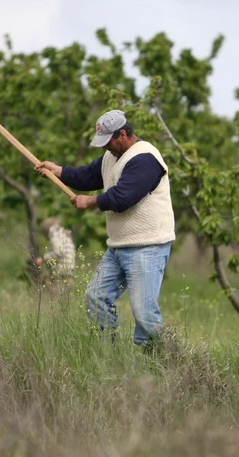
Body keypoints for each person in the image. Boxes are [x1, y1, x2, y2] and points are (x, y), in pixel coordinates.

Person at [34, 110, 175, 346]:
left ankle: (162, 362)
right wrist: (58, 170)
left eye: (108, 141)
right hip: (118, 246)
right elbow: (88, 176)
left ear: (122, 134)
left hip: (148, 246)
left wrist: (90, 201)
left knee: (144, 314)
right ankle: (108, 351)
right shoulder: (112, 156)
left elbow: (123, 198)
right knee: (96, 297)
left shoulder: (145, 158)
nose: (105, 148)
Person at [35, 217, 76, 293]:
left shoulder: (54, 233)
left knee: (51, 295)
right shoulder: (63, 233)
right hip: (69, 272)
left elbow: (58, 252)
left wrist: (43, 258)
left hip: (61, 273)